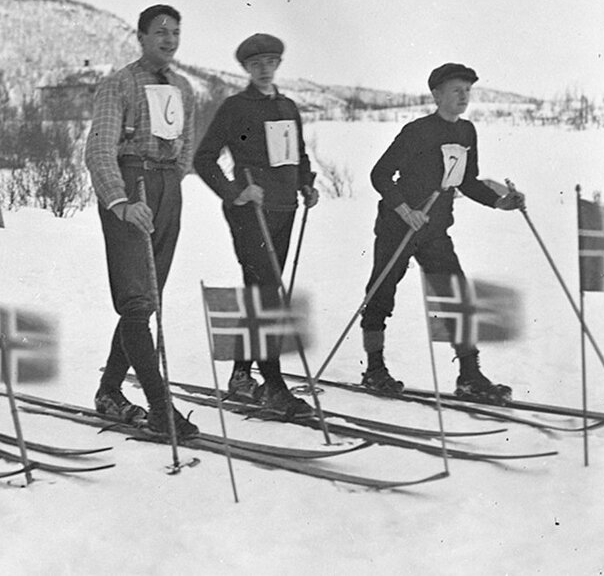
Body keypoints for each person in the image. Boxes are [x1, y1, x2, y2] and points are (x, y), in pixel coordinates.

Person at [358, 62, 525, 402]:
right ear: (437, 95)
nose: (463, 97)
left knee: (456, 296)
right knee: (380, 294)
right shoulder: (417, 131)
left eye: (467, 91)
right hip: (398, 227)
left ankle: (469, 375)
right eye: (456, 90)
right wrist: (404, 210)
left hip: (434, 229)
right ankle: (375, 370)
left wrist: (500, 202)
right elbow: (380, 175)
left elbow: (467, 181)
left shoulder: (466, 132)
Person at [84, 4, 199, 440]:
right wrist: (121, 201)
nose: (168, 40)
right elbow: (98, 151)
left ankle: (110, 390)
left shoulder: (184, 88)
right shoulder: (119, 84)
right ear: (141, 36)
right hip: (131, 188)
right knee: (135, 301)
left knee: (147, 301)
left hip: (167, 189)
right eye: (160, 32)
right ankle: (160, 406)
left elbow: (186, 144)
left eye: (175, 32)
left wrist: (172, 180)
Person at [193, 33, 320, 420]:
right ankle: (273, 385)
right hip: (251, 213)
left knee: (260, 291)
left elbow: (295, 155)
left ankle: (240, 374)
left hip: (285, 207)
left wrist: (307, 184)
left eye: (271, 62)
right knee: (268, 294)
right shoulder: (235, 107)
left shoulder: (288, 106)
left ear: (278, 65)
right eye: (256, 64)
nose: (264, 69)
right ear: (246, 68)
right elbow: (205, 158)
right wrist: (235, 193)